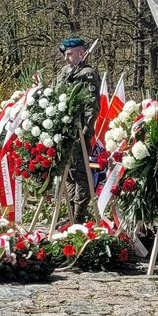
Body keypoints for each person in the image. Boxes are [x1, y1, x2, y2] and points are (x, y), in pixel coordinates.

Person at [58, 37, 103, 223]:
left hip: (78, 131)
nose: (66, 58)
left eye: (70, 54)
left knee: (79, 173)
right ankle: (69, 213)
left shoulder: (88, 74)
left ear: (81, 53)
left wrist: (85, 132)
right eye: (65, 55)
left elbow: (92, 106)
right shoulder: (64, 72)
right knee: (67, 173)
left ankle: (79, 216)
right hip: (63, 130)